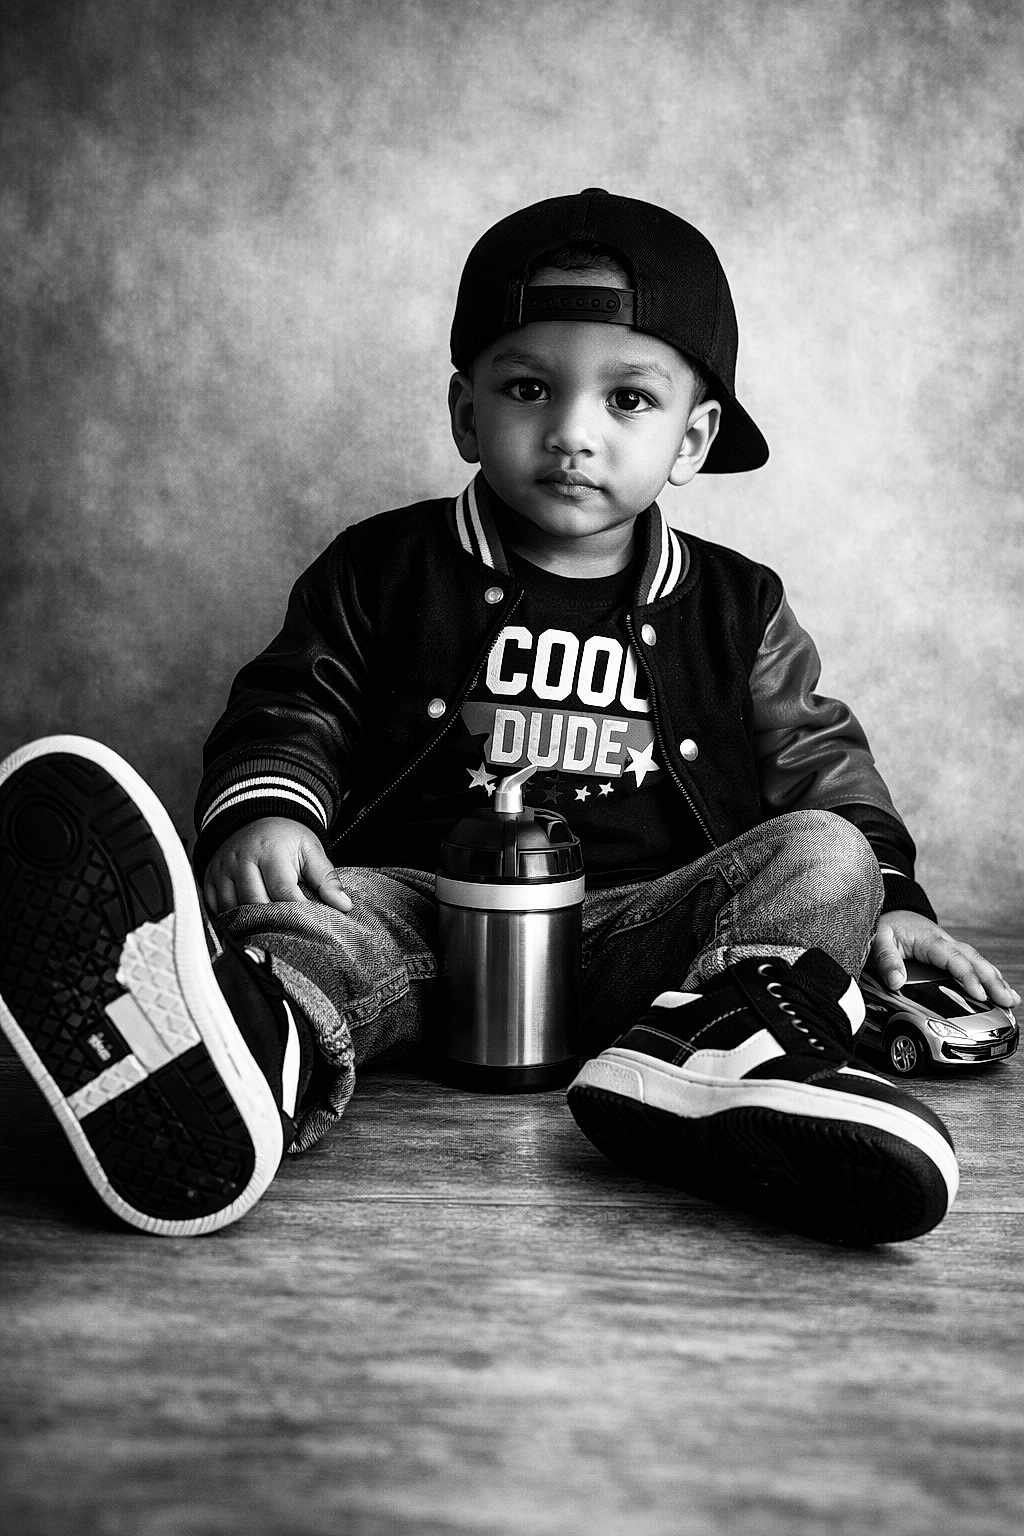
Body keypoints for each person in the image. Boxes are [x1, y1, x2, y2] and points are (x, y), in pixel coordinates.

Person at [0, 189, 1016, 1245]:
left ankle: (718, 1049)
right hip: (425, 915)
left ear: (692, 437)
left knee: (826, 852)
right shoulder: (383, 569)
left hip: (648, 937)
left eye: (627, 401)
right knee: (318, 915)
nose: (573, 433)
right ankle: (250, 1057)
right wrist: (270, 815)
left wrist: (894, 901)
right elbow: (296, 699)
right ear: (465, 411)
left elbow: (817, 761)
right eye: (531, 388)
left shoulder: (737, 603)